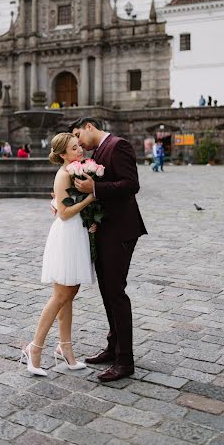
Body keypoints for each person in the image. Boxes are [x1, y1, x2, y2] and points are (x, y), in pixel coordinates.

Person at [69, 117, 147, 382]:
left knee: (116, 293)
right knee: (107, 291)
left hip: (121, 231)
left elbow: (131, 184)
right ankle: (113, 348)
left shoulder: (118, 145)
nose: (78, 142)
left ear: (90, 126)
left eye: (78, 134)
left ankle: (125, 361)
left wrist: (96, 188)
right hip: (105, 230)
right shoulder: (100, 151)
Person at [21, 133, 96, 376]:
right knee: (61, 295)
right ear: (63, 154)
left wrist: (91, 217)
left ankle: (65, 349)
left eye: (79, 146)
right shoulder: (64, 174)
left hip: (77, 233)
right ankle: (34, 348)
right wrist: (91, 199)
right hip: (67, 235)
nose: (79, 150)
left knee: (69, 293)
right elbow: (64, 213)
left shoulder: (77, 170)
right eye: (74, 148)